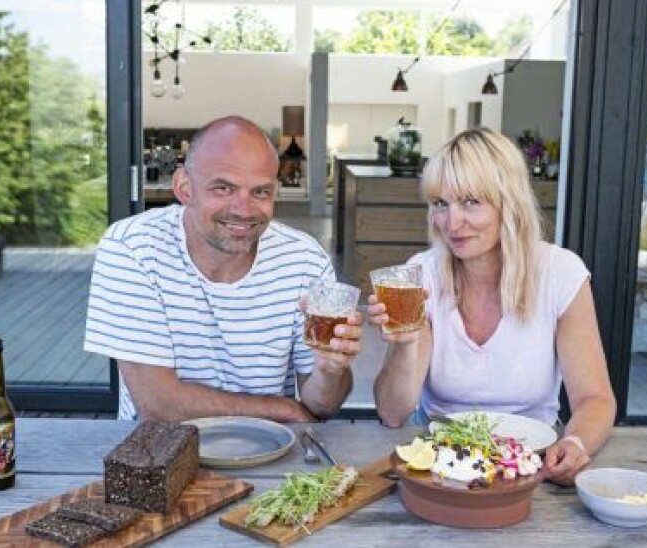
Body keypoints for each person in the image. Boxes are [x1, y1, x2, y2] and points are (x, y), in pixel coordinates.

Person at [369, 127, 616, 484]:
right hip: (439, 463)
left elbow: (595, 398)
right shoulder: (420, 274)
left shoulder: (561, 273)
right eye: (441, 203)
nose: (451, 223)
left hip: (532, 462)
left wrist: (576, 443)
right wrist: (405, 343)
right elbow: (393, 414)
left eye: (471, 201)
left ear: (509, 202)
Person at [84, 116, 362, 423]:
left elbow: (321, 406)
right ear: (184, 187)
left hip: (270, 456)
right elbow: (158, 405)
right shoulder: (132, 247)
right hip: (160, 455)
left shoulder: (305, 259)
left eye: (260, 192)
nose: (243, 210)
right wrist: (284, 409)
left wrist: (329, 370)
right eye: (223, 188)